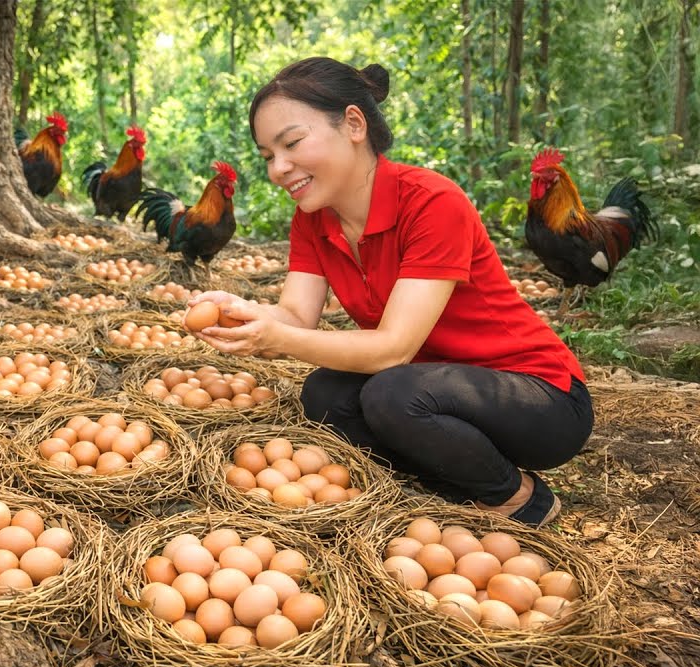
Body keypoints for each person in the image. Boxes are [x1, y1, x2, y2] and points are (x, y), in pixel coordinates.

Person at [190, 57, 593, 527]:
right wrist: (239, 311)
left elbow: (392, 349)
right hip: (431, 388)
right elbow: (296, 316)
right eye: (267, 156)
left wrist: (277, 338)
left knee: (391, 393)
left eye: (292, 143)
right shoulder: (312, 220)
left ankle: (518, 497)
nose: (279, 168)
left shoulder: (432, 202)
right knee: (325, 394)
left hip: (537, 397)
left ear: (353, 124)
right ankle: (451, 486)